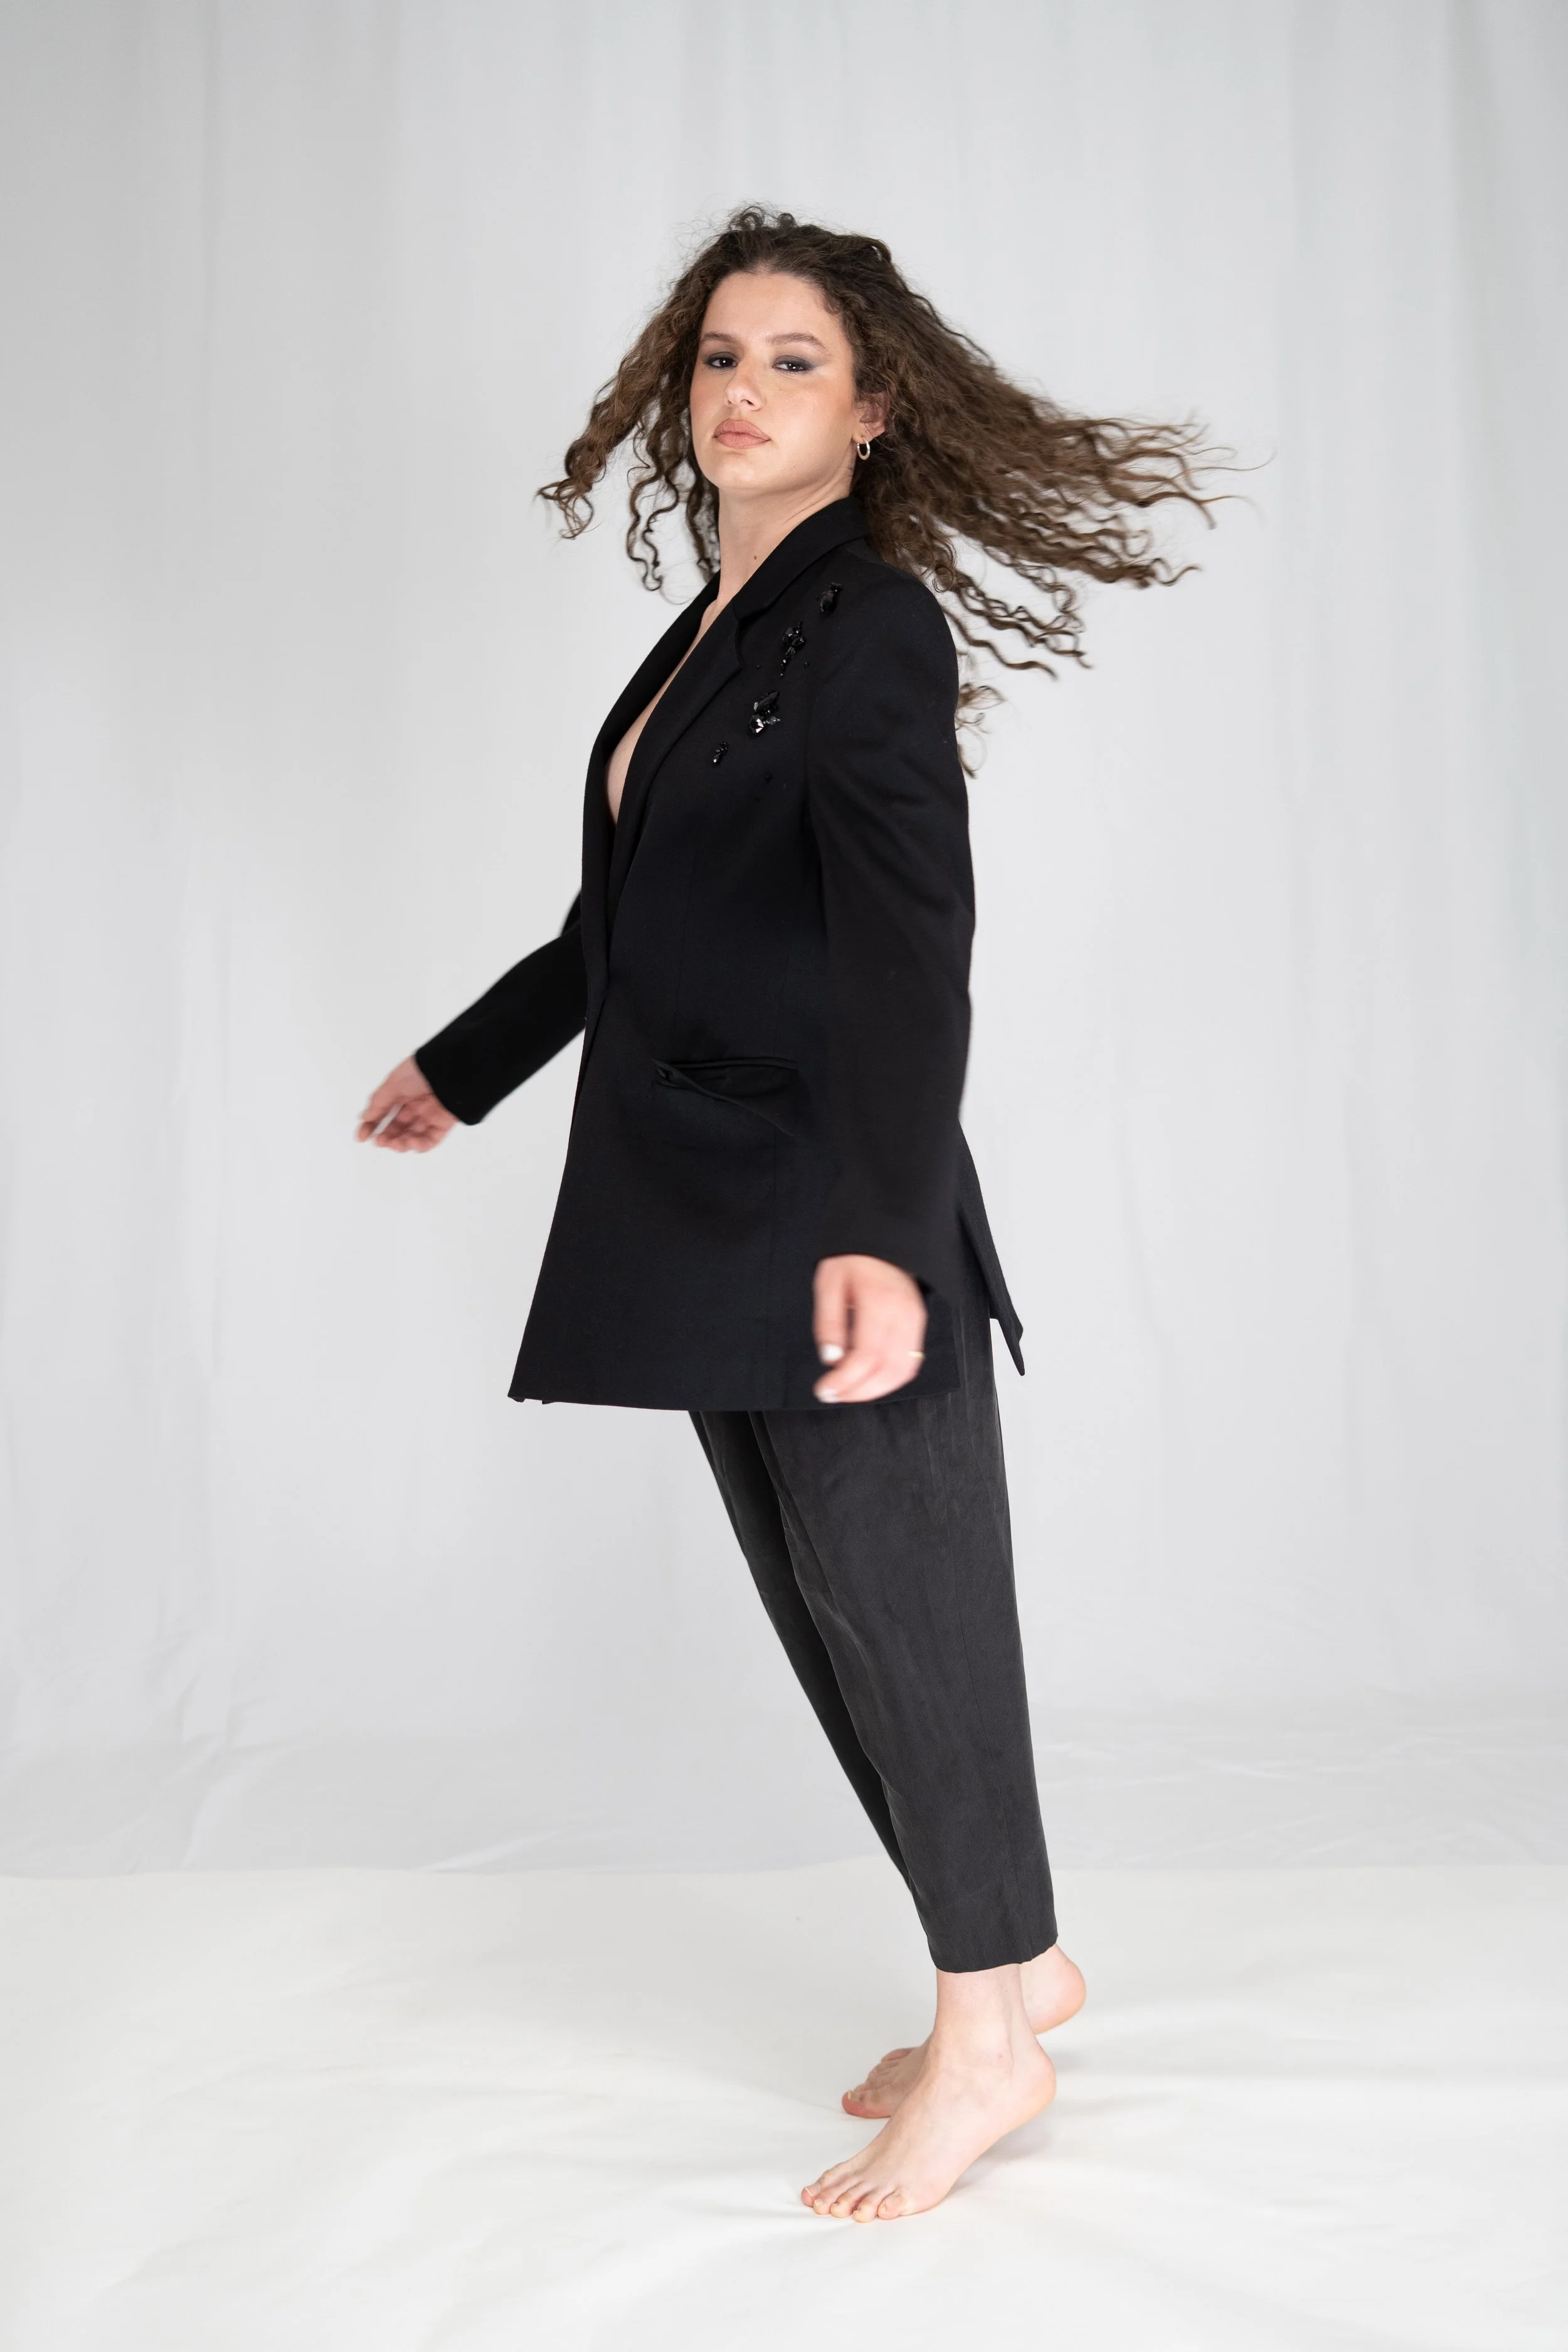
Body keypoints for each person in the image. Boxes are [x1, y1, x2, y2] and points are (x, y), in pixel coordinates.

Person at [357, 207, 1215, 2222]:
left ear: (875, 407)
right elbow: (626, 923)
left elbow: (917, 949)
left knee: (918, 1632)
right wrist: (467, 1061)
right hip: (703, 1205)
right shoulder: (712, 630)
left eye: (793, 362)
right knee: (840, 1630)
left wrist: (884, 1226)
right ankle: (1010, 1967)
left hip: (834, 1210)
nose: (740, 392)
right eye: (718, 357)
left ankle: (988, 2036)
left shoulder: (870, 623)